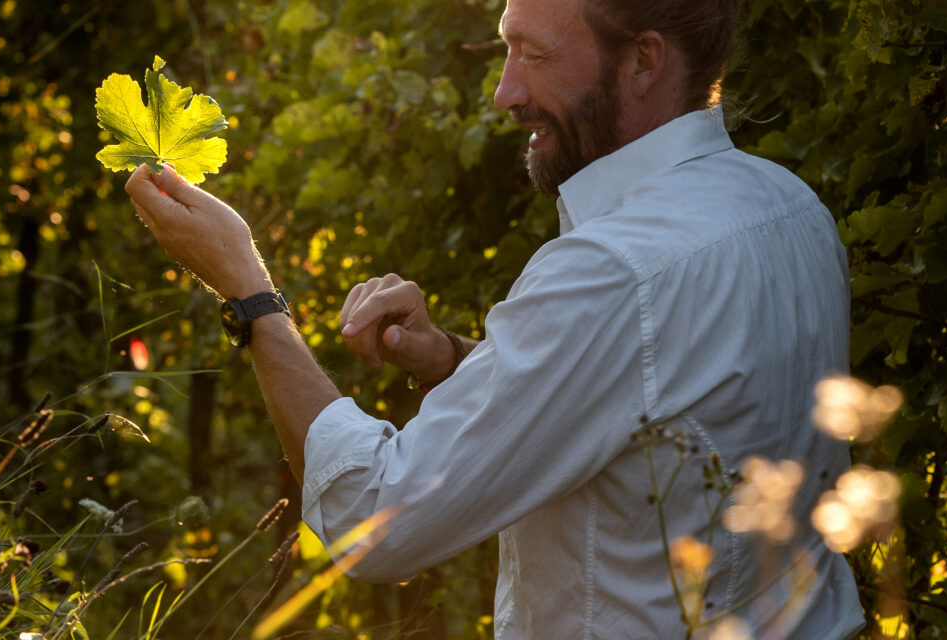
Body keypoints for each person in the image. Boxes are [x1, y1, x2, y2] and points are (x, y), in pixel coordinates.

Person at [125, 0, 865, 636]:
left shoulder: (612, 271)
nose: (505, 93)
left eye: (534, 55)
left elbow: (376, 518)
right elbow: (667, 407)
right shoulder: (790, 207)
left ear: (643, 62)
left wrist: (246, 288)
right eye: (506, 47)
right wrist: (455, 361)